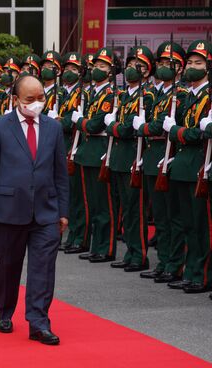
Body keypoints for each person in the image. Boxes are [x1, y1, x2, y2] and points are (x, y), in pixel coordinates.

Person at [0, 75, 69, 346]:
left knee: (43, 268)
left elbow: (60, 173)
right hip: (8, 209)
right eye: (30, 99)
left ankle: (39, 323)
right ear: (16, 99)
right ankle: (5, 311)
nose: (37, 103)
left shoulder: (53, 128)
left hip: (46, 210)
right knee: (8, 266)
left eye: (41, 97)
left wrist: (63, 211)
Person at [135, 41, 188, 282]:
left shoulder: (182, 94)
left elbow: (160, 126)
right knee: (160, 216)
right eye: (161, 63)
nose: (163, 67)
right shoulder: (156, 93)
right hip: (153, 156)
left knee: (172, 216)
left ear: (179, 68)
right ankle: (164, 261)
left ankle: (175, 263)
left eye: (169, 63)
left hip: (168, 157)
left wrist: (145, 128)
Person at [163, 40, 211, 293]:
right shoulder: (184, 96)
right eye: (190, 62)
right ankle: (189, 270)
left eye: (198, 63)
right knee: (186, 222)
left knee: (200, 224)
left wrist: (177, 130)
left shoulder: (208, 95)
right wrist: (179, 131)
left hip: (198, 164)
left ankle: (202, 275)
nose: (192, 67)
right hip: (181, 164)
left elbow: (198, 135)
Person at [105, 46, 156, 272]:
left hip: (134, 157)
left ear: (147, 71)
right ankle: (130, 251)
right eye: (129, 66)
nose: (131, 70)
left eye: (139, 66)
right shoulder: (123, 95)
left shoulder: (148, 95)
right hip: (119, 157)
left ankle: (140, 255)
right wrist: (116, 127)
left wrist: (115, 127)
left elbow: (128, 129)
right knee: (126, 209)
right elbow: (119, 127)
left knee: (136, 210)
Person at [71, 47, 121, 263]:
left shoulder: (110, 95)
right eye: (95, 66)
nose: (97, 70)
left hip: (100, 151)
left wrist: (78, 121)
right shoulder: (92, 94)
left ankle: (106, 247)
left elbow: (93, 124)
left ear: (111, 72)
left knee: (105, 205)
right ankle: (95, 245)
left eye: (102, 67)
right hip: (87, 152)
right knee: (92, 203)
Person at [58, 52, 91, 254]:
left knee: (78, 197)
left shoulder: (82, 94)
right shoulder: (60, 93)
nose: (69, 72)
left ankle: (80, 237)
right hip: (60, 146)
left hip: (74, 145)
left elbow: (73, 121)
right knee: (66, 196)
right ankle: (71, 235)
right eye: (67, 68)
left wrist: (60, 121)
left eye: (74, 69)